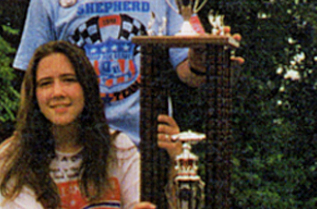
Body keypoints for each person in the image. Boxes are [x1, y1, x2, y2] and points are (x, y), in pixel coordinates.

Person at [0, 41, 179, 209]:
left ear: (87, 88)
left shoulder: (120, 148)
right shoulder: (11, 156)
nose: (57, 92)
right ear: (34, 95)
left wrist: (176, 166)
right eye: (45, 83)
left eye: (68, 80)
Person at [13, 0, 208, 147]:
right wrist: (25, 141)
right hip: (77, 147)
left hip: (147, 148)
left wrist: (202, 55)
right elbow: (32, 77)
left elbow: (189, 73)